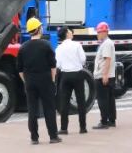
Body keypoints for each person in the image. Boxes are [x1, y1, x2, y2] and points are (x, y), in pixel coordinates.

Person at [17, 17, 61, 145]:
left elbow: (20, 69)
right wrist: (52, 80)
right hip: (45, 80)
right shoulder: (46, 45)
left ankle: (34, 138)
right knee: (49, 108)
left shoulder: (23, 48)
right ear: (38, 29)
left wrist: (26, 81)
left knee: (32, 109)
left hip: (30, 82)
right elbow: (53, 66)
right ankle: (53, 136)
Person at [55, 27, 88, 135]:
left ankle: (64, 128)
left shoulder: (59, 48)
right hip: (77, 74)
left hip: (65, 75)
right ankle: (82, 127)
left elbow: (58, 64)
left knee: (64, 101)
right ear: (67, 34)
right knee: (81, 101)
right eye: (70, 31)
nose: (71, 32)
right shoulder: (77, 45)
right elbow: (83, 59)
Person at [92, 22, 117, 129]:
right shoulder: (107, 43)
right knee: (110, 99)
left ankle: (104, 121)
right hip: (109, 76)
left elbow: (107, 59)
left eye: (99, 32)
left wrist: (104, 75)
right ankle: (111, 120)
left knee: (103, 99)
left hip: (103, 76)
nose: (97, 34)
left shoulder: (106, 44)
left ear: (105, 32)